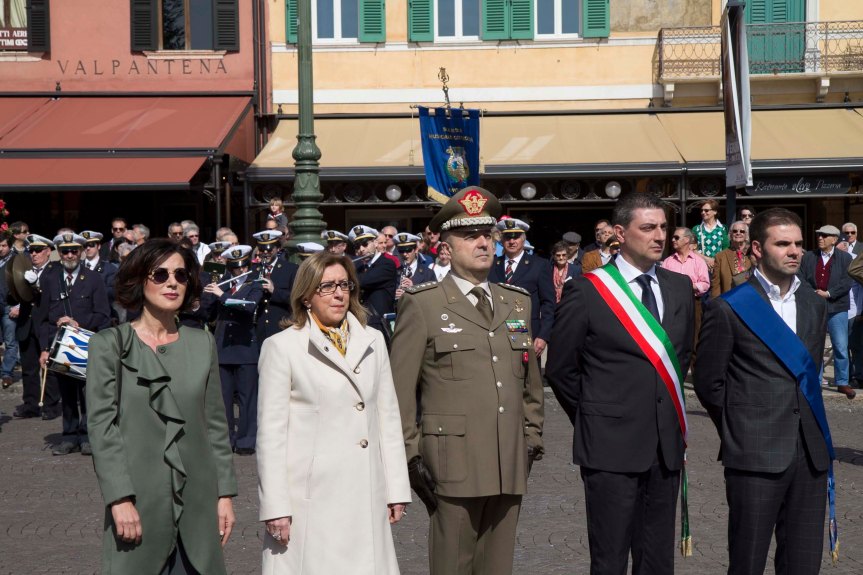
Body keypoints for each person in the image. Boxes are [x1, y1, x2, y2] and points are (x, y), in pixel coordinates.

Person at [390, 186, 544, 575]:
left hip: (509, 460)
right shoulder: (423, 304)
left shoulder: (516, 301)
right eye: (469, 235)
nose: (482, 243)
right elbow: (399, 393)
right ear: (446, 244)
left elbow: (530, 382)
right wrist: (410, 458)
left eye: (487, 235)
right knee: (452, 566)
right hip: (449, 464)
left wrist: (531, 437)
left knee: (498, 567)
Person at [546, 193, 695, 575]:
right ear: (619, 233)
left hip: (665, 446)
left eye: (663, 227)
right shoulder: (589, 288)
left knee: (658, 559)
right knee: (610, 558)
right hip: (609, 446)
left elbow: (683, 355)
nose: (659, 236)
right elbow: (562, 369)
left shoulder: (679, 287)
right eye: (648, 228)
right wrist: (597, 415)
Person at [695, 208, 836, 575]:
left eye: (799, 244)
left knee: (804, 563)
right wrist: (742, 427)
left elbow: (808, 375)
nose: (795, 251)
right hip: (754, 454)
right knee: (748, 561)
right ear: (757, 249)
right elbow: (709, 383)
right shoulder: (729, 308)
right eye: (783, 243)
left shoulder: (814, 304)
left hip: (810, 453)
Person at [87, 239, 237, 574]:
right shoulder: (110, 345)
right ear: (139, 280)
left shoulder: (202, 343)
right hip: (138, 505)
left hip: (199, 506)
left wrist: (224, 495)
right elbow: (102, 427)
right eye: (160, 274)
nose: (172, 282)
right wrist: (119, 498)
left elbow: (215, 424)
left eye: (181, 275)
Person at [257, 251, 410, 574]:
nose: (339, 293)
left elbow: (388, 419)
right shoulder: (282, 347)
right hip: (309, 497)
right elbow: (270, 436)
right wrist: (275, 506)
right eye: (326, 286)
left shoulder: (374, 340)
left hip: (366, 490)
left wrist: (396, 487)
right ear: (307, 295)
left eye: (344, 284)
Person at [37, 233, 112, 455]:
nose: (70, 255)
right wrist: (43, 348)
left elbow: (103, 315)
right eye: (65, 251)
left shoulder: (93, 278)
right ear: (58, 253)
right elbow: (41, 318)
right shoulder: (50, 279)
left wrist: (78, 322)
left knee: (87, 394)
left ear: (81, 252)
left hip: (85, 344)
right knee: (67, 393)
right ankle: (69, 436)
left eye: (74, 251)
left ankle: (87, 435)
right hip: (59, 346)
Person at [202, 245, 264, 454]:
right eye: (235, 268)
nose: (239, 271)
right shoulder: (222, 283)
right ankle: (226, 440)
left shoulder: (255, 282)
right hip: (223, 347)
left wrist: (221, 295)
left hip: (245, 347)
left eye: (243, 266)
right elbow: (209, 313)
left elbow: (249, 306)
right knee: (224, 399)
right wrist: (205, 297)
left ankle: (246, 441)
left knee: (247, 398)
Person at [798, 224, 855, 399]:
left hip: (837, 307)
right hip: (814, 307)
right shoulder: (808, 257)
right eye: (819, 235)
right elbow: (800, 277)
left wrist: (829, 293)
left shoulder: (845, 258)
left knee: (840, 346)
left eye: (824, 235)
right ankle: (815, 380)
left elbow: (847, 281)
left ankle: (842, 382)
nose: (820, 238)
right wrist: (813, 294)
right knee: (815, 345)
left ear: (834, 239)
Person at [489, 217, 556, 358]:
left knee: (527, 377)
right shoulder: (491, 265)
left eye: (516, 237)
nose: (512, 241)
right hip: (497, 333)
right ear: (501, 240)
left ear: (523, 240)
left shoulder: (539, 265)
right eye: (507, 237)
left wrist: (543, 336)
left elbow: (548, 303)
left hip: (526, 332)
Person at [251, 230, 298, 342]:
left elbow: (296, 298)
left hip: (281, 327)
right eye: (262, 249)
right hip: (259, 328)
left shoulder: (290, 269)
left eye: (269, 249)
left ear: (277, 249)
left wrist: (274, 290)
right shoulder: (253, 270)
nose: (265, 252)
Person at [350, 225, 397, 335]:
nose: (361, 249)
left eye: (365, 244)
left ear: (375, 243)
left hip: (379, 325)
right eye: (357, 246)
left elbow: (362, 281)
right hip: (361, 323)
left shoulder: (386, 264)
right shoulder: (359, 267)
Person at [711, 222, 753, 297]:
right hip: (729, 300)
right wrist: (715, 305)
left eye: (742, 231)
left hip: (750, 298)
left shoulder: (753, 254)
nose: (738, 233)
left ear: (747, 235)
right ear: (730, 234)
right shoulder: (720, 256)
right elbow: (716, 285)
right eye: (735, 231)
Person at [0, 232, 19, 388]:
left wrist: (19, 306)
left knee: (10, 342)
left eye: (3, 245)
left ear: (10, 246)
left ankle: (7, 373)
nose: (0, 249)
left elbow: (25, 286)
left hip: (9, 306)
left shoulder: (16, 261)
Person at [394, 232, 436, 302]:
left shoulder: (428, 273)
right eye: (401, 250)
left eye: (408, 250)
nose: (404, 254)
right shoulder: (394, 273)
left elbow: (434, 297)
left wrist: (414, 288)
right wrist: (394, 295)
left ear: (416, 250)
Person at [692, 199, 729, 270]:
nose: (703, 212)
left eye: (706, 210)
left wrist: (715, 261)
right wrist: (707, 259)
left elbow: (726, 249)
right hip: (700, 267)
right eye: (702, 210)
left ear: (715, 211)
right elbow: (692, 249)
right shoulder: (696, 229)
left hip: (719, 266)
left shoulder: (723, 228)